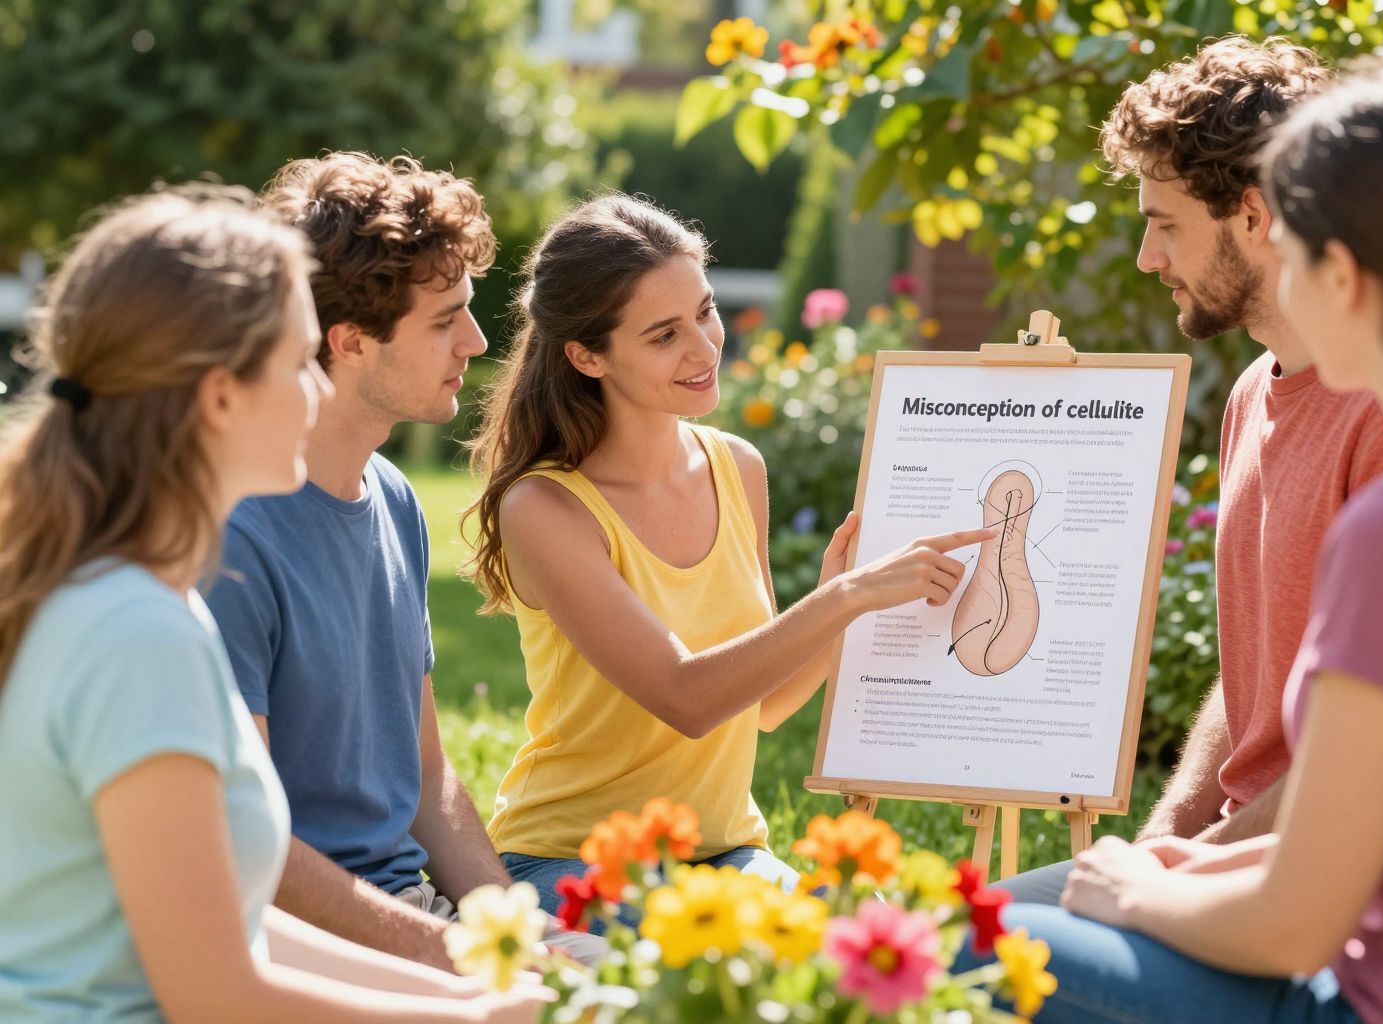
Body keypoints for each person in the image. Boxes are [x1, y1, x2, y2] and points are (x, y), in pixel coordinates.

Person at [964, 62, 1383, 1023]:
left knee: (978, 956)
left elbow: (1299, 926)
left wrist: (1140, 894)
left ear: (1339, 273)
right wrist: (1175, 859)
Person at [0, 186, 544, 1021]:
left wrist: (477, 990)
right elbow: (215, 991)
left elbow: (239, 928)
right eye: (298, 362)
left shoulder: (136, 603)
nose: (318, 389)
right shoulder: (134, 631)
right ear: (220, 397)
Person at [463, 193, 993, 919]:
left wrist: (839, 600)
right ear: (587, 354)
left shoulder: (736, 467)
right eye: (663, 335)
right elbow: (688, 699)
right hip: (574, 862)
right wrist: (844, 598)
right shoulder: (546, 509)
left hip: (726, 855)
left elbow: (766, 705)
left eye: (705, 312)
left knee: (865, 956)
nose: (706, 348)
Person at [998, 36, 1383, 906]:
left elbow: (1370, 760)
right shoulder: (1255, 391)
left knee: (982, 955)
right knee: (970, 934)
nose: (1149, 260)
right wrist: (1162, 835)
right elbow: (1260, 666)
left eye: (1164, 225)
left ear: (1253, 217)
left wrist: (1173, 875)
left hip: (1330, 883)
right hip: (1239, 850)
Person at [203, 152, 598, 967]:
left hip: (410, 918)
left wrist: (514, 935)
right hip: (305, 946)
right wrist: (452, 959)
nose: (478, 340)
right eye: (444, 318)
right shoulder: (230, 539)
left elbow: (425, 777)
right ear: (349, 342)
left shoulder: (391, 495)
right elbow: (248, 847)